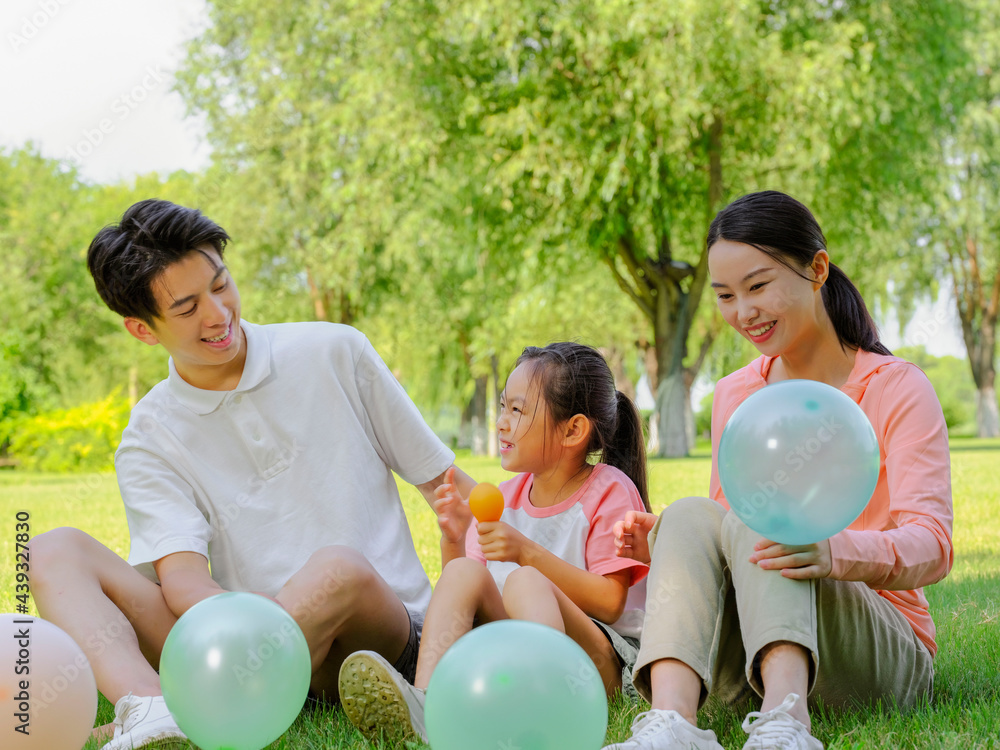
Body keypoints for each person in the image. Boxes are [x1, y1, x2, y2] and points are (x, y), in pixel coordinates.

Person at [28, 199, 475, 750]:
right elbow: (186, 582)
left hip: (376, 634)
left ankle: (209, 701)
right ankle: (151, 709)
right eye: (188, 308)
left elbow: (447, 487)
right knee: (51, 551)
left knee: (337, 569)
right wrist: (252, 634)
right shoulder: (149, 434)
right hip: (242, 643)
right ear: (143, 331)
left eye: (221, 285)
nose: (218, 315)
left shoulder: (334, 351)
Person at [606, 190, 953, 750]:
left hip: (879, 652)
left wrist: (834, 552)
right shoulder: (735, 395)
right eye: (725, 296)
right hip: (752, 657)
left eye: (759, 286)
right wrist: (669, 544)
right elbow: (727, 528)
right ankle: (672, 726)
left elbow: (933, 545)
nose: (743, 312)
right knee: (695, 515)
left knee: (768, 515)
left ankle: (788, 724)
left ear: (817, 269)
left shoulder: (896, 387)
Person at [337, 342, 652, 743]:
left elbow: (611, 602)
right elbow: (466, 597)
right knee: (466, 571)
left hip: (598, 665)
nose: (501, 422)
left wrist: (527, 554)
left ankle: (546, 710)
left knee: (525, 581)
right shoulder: (503, 497)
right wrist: (452, 539)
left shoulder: (607, 490)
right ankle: (427, 703)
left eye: (517, 410)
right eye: (503, 407)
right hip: (516, 652)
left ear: (573, 430)